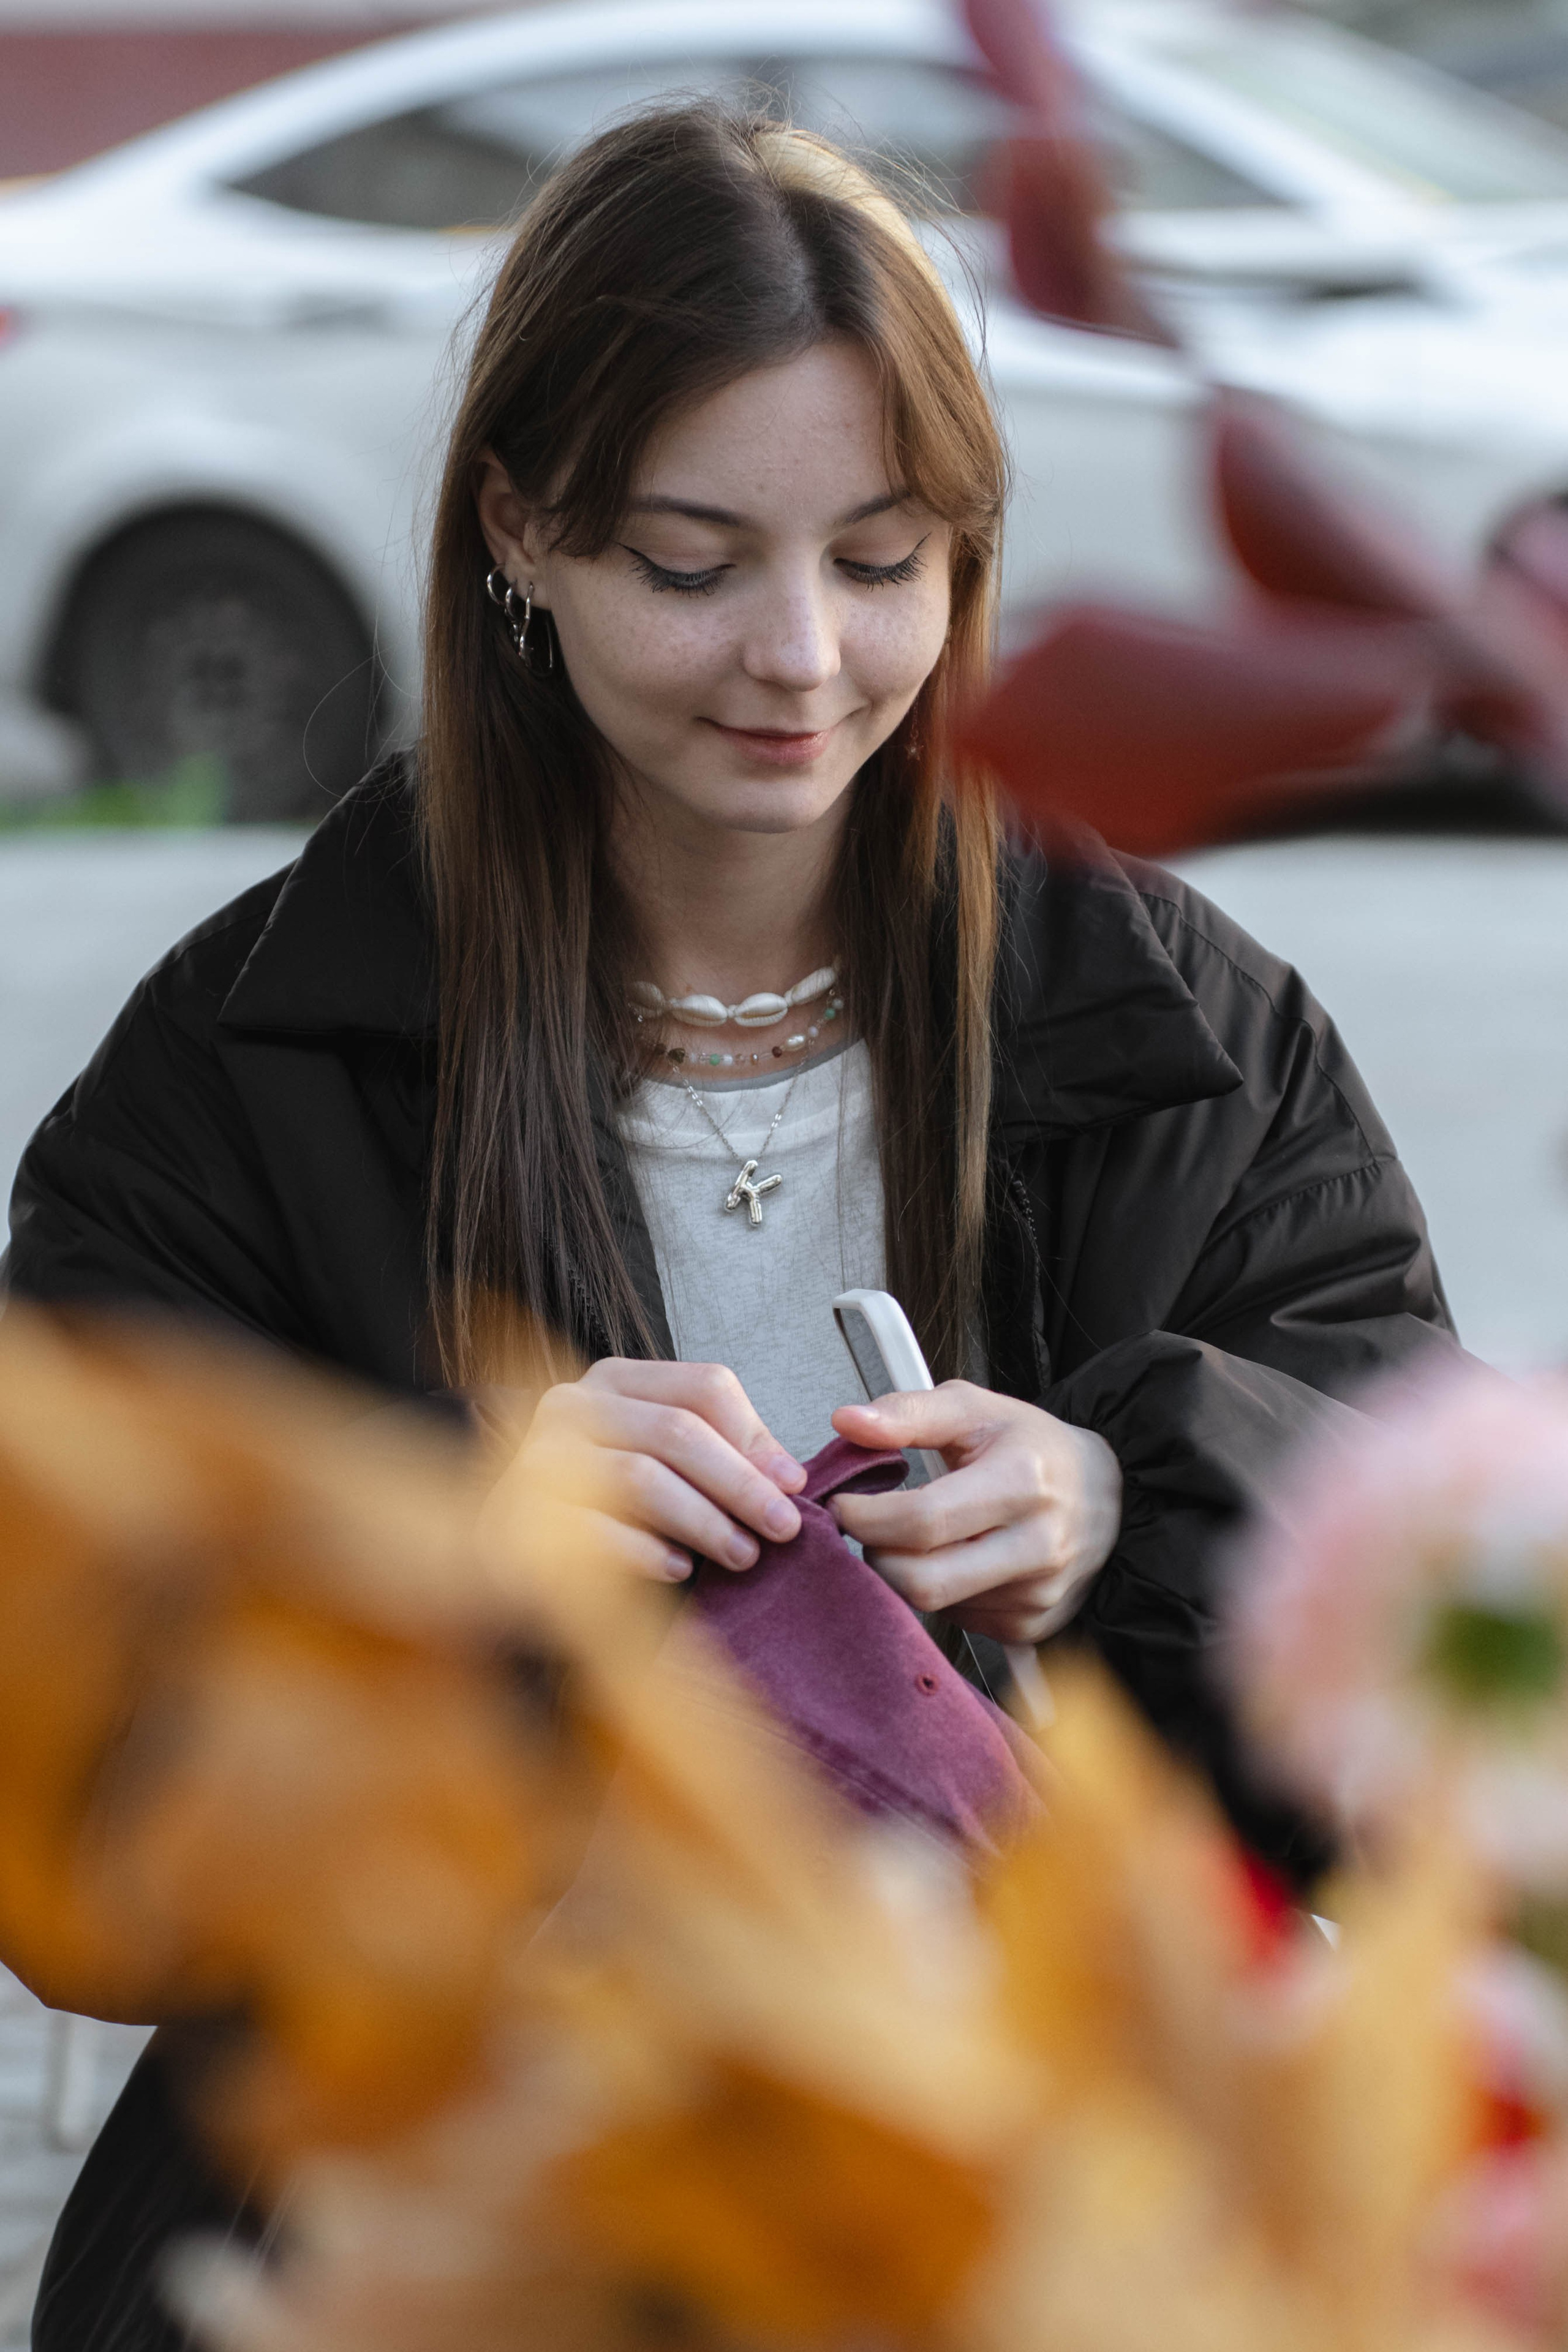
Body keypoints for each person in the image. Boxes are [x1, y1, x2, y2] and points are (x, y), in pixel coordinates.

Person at [6, 104, 1452, 2347]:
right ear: (523, 530)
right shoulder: (253, 1054)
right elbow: (73, 1825)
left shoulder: (1186, 1031)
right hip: (429, 2241)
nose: (799, 656)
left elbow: (1438, 1676)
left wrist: (1114, 1506)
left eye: (883, 561)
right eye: (692, 563)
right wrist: (442, 1556)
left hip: (1050, 2232)